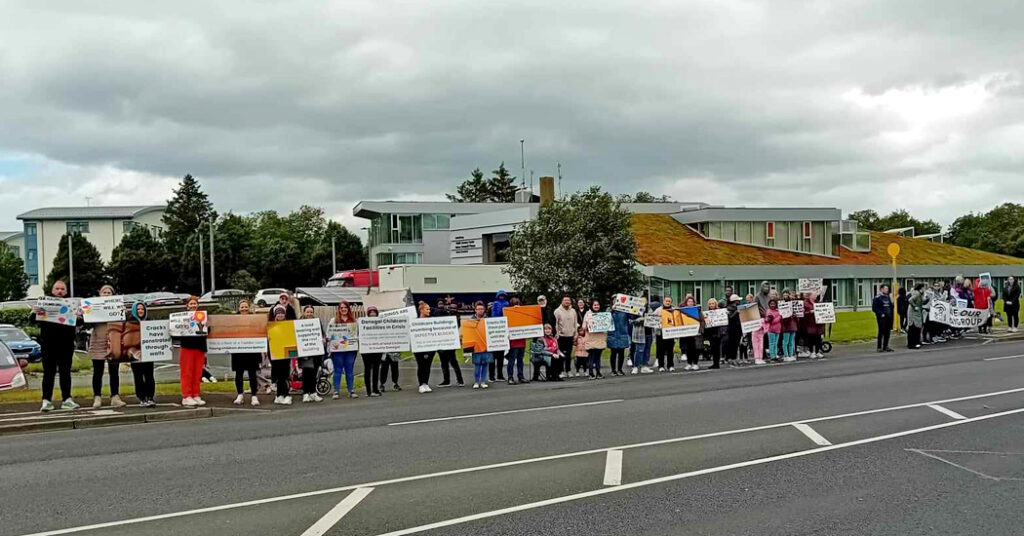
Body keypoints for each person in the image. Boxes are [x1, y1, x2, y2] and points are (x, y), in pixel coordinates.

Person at [32, 281, 81, 412]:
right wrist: (35, 312)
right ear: (52, 290)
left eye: (62, 289)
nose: (60, 291)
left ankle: (67, 399)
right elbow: (33, 320)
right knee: (49, 373)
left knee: (65, 373)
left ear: (65, 291)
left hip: (66, 345)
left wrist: (79, 317)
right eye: (57, 288)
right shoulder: (44, 303)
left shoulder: (72, 305)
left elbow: (80, 322)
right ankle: (46, 400)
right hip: (48, 344)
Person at [88, 284, 125, 409]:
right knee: (97, 371)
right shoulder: (93, 306)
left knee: (114, 371)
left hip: (113, 339)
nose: (106, 294)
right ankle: (97, 397)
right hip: (98, 339)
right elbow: (87, 323)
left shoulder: (118, 306)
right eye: (104, 292)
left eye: (109, 292)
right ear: (100, 294)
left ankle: (115, 396)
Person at [175, 296, 209, 407]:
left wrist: (206, 327)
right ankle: (186, 396)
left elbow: (206, 331)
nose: (193, 306)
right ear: (187, 306)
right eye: (191, 304)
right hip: (187, 347)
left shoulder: (202, 316)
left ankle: (196, 394)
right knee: (187, 372)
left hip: (199, 347)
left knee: (197, 372)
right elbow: (175, 330)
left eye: (195, 304)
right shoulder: (182, 317)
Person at [122, 301, 157, 408]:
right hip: (135, 354)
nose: (140, 311)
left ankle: (150, 397)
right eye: (138, 309)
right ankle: (142, 398)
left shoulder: (149, 321)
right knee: (138, 377)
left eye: (142, 309)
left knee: (149, 376)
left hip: (148, 353)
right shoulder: (129, 322)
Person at [232, 299, 262, 406]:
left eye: (246, 307)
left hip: (251, 350)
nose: (244, 309)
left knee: (252, 374)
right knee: (238, 373)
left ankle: (254, 396)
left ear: (248, 308)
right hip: (238, 350)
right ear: (238, 309)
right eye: (242, 307)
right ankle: (240, 394)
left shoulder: (254, 320)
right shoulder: (233, 321)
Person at [328, 301, 359, 399]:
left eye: (345, 307)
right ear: (339, 309)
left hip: (350, 350)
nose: (343, 309)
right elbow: (329, 334)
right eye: (341, 308)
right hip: (338, 350)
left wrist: (356, 340)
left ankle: (351, 390)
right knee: (338, 370)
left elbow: (357, 334)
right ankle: (336, 391)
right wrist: (329, 339)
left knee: (349, 370)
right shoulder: (333, 320)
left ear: (348, 309)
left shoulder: (354, 321)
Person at [268, 304, 294, 405]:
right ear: (275, 314)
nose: (280, 315)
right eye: (278, 313)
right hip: (275, 354)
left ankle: (286, 394)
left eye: (282, 313)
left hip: (286, 354)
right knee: (278, 376)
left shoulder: (289, 325)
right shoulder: (271, 326)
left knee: (284, 375)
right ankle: (279, 395)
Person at [433, 300, 464, 387]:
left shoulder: (453, 316)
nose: (441, 306)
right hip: (441, 342)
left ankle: (460, 380)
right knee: (444, 363)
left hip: (450, 342)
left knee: (453, 362)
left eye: (442, 304)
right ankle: (447, 380)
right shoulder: (438, 314)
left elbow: (456, 325)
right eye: (439, 304)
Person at [467, 301, 493, 389]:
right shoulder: (470, 320)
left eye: (482, 309)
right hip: (476, 346)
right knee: (477, 364)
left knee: (485, 364)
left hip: (486, 345)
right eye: (478, 309)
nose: (480, 311)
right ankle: (476, 381)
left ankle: (483, 381)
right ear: (475, 310)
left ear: (484, 310)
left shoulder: (488, 320)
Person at [413, 301, 437, 393]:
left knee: (427, 366)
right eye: (427, 309)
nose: (429, 311)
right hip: (419, 347)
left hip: (430, 347)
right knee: (421, 365)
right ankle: (421, 384)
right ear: (421, 310)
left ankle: (426, 383)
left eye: (429, 309)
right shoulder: (415, 321)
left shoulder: (432, 320)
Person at [504, 297, 528, 384]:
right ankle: (510, 377)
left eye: (518, 304)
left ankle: (521, 376)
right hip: (513, 342)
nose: (516, 306)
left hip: (522, 340)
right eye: (514, 304)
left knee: (521, 360)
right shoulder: (507, 314)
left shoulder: (523, 314)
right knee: (511, 360)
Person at [554, 296, 578, 379]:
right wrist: (557, 334)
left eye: (568, 300)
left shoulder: (573, 311)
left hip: (570, 335)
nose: (567, 301)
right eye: (565, 300)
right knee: (561, 355)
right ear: (562, 301)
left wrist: (576, 333)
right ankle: (560, 371)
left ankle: (568, 370)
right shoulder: (557, 311)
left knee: (568, 355)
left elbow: (575, 323)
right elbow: (556, 324)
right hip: (561, 336)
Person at [583, 299, 607, 379]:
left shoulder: (603, 315)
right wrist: (588, 326)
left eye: (597, 305)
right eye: (595, 305)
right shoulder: (588, 314)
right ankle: (591, 373)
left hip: (599, 338)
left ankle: (598, 372)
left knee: (598, 356)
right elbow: (584, 327)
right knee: (591, 356)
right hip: (591, 338)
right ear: (592, 306)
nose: (596, 306)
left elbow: (607, 326)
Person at [679, 296, 704, 371]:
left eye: (691, 302)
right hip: (687, 332)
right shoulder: (683, 311)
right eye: (688, 302)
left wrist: (701, 330)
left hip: (696, 333)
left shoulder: (697, 310)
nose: (690, 303)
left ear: (694, 303)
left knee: (696, 349)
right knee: (688, 349)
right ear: (686, 303)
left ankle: (695, 363)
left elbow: (702, 320)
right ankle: (689, 363)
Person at [654, 296, 677, 372]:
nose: (667, 302)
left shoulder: (674, 310)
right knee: (660, 350)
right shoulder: (658, 310)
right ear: (663, 301)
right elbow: (653, 321)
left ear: (671, 302)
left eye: (669, 301)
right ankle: (661, 366)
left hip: (670, 333)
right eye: (666, 301)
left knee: (670, 350)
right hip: (660, 333)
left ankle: (670, 365)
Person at [607, 303, 630, 376]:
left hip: (622, 333)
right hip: (613, 334)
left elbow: (631, 316)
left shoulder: (624, 310)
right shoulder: (609, 310)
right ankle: (613, 370)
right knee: (613, 353)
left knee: (621, 353)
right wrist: (612, 310)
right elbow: (605, 318)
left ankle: (620, 369)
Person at [704, 298, 725, 369]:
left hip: (718, 332)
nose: (711, 305)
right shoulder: (707, 312)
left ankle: (716, 364)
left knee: (717, 348)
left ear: (715, 304)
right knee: (713, 348)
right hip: (710, 332)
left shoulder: (719, 311)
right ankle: (714, 363)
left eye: (712, 303)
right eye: (710, 304)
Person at [872, 285, 894, 352]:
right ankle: (879, 347)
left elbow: (891, 306)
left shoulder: (887, 297)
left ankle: (886, 346)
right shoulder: (877, 298)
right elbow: (874, 308)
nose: (887, 290)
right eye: (886, 288)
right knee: (881, 331)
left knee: (887, 332)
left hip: (888, 317)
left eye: (887, 288)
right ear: (881, 289)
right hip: (882, 317)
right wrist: (881, 314)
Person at [803, 293, 824, 358]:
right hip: (810, 323)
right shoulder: (805, 303)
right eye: (813, 295)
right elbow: (803, 313)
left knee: (818, 338)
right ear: (810, 296)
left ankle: (817, 351)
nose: (815, 296)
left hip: (818, 323)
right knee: (811, 338)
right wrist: (810, 312)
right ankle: (812, 352)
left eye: (815, 295)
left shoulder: (818, 303)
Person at [725, 294, 743, 366]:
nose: (739, 302)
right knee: (732, 344)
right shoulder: (729, 308)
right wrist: (736, 313)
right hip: (732, 329)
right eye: (738, 300)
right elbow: (730, 318)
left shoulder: (738, 308)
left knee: (736, 344)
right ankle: (731, 358)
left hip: (738, 328)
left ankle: (734, 358)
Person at [781, 291, 798, 362]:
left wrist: (795, 315)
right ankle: (786, 355)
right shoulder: (782, 306)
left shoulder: (793, 306)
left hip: (793, 326)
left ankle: (790, 354)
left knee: (791, 342)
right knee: (786, 342)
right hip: (786, 326)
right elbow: (782, 317)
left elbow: (797, 316)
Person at [907, 284, 924, 349]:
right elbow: (910, 300)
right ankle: (912, 343)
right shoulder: (917, 294)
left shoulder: (919, 294)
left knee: (915, 328)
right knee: (914, 328)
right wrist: (915, 306)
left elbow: (921, 302)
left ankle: (914, 343)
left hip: (916, 312)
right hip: (914, 313)